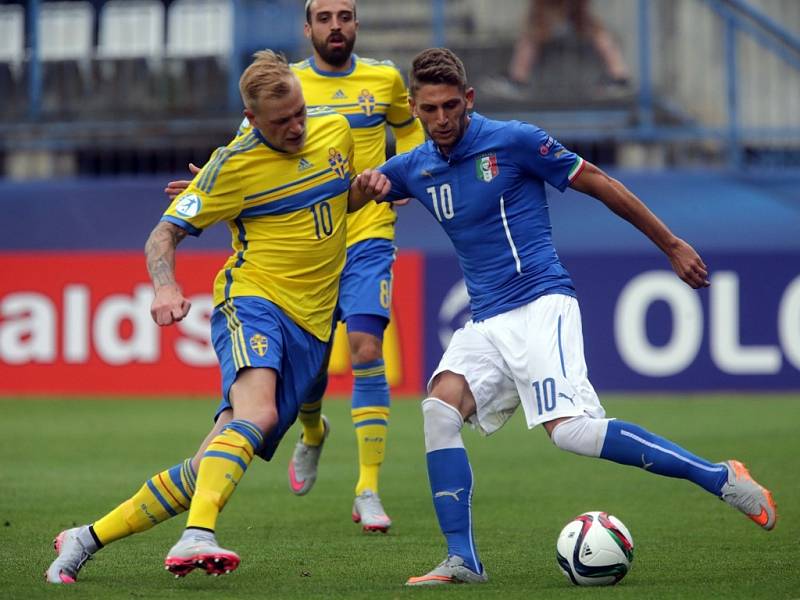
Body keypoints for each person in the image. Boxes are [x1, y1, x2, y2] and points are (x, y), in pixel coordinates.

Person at [351, 47, 777, 586]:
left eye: (451, 106)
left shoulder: (514, 141)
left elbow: (598, 181)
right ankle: (463, 560)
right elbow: (350, 200)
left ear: (470, 99)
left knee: (571, 432)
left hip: (541, 302)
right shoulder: (414, 166)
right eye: (429, 109)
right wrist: (361, 190)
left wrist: (670, 245)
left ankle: (719, 477)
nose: (441, 120)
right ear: (413, 107)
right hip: (486, 321)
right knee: (438, 409)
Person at [45, 49, 390, 584]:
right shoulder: (232, 164)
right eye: (282, 122)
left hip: (312, 323)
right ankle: (198, 535)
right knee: (260, 413)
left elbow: (327, 199)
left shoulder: (337, 131)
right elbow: (162, 234)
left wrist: (358, 195)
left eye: (300, 113)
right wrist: (165, 288)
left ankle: (84, 538)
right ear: (251, 120)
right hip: (253, 300)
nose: (297, 127)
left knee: (212, 461)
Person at [165, 0, 425, 533]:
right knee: (310, 374)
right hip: (302, 251)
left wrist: (403, 174)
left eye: (346, 15)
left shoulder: (385, 78)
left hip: (365, 229)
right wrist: (206, 183)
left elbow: (410, 126)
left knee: (367, 345)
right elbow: (244, 154)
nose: (336, 26)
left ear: (357, 22)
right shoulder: (289, 86)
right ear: (307, 28)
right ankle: (311, 433)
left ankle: (367, 487)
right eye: (324, 17)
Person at [506, 0, 630, 88]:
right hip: (547, 27)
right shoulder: (541, 7)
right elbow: (536, 21)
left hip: (575, 26)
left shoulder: (579, 9)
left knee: (603, 37)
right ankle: (518, 79)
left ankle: (619, 76)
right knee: (528, 41)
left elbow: (584, 18)